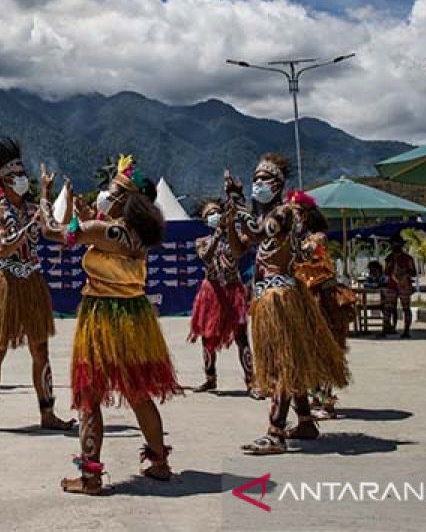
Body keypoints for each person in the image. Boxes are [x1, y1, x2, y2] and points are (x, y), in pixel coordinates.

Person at [42, 155, 180, 494]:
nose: (106, 193)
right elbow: (100, 236)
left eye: (113, 189)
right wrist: (88, 218)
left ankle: (90, 477)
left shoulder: (101, 230)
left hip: (102, 316)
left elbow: (52, 232)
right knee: (138, 392)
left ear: (125, 200)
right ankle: (159, 462)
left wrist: (47, 198)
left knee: (89, 395)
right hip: (134, 317)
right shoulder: (137, 235)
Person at [233, 154, 349, 456]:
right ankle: (306, 421)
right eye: (255, 179)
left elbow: (260, 233)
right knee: (289, 359)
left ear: (279, 184)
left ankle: (276, 432)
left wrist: (240, 204)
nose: (258, 184)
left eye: (264, 179)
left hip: (281, 296)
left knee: (284, 362)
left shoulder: (282, 213)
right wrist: (231, 218)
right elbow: (242, 244)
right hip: (267, 295)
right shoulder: (264, 216)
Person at [0, 137, 74, 435]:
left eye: (22, 171)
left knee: (41, 351)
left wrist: (79, 227)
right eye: (16, 173)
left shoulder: (32, 207)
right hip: (6, 285)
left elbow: (52, 231)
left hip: (32, 282)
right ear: (4, 179)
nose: (21, 176)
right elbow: (2, 247)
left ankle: (48, 413)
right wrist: (30, 226)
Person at [287, 190, 356, 420]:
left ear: (306, 215)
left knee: (325, 348)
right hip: (302, 297)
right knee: (306, 349)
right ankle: (312, 397)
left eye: (295, 213)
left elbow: (305, 254)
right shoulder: (291, 238)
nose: (291, 216)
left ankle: (325, 401)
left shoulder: (317, 237)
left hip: (322, 299)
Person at [188, 190, 256, 396]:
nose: (214, 215)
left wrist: (230, 227)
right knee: (207, 337)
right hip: (212, 292)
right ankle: (210, 378)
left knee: (241, 337)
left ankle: (251, 381)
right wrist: (217, 234)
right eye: (210, 214)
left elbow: (240, 250)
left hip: (234, 291)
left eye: (217, 212)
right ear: (204, 219)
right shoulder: (202, 241)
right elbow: (206, 257)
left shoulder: (234, 239)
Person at [384, 237, 417, 338]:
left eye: (397, 244)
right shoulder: (389, 258)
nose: (396, 246)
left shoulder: (408, 258)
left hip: (404, 285)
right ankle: (388, 328)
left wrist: (404, 273)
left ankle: (406, 330)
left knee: (406, 308)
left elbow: (413, 273)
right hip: (392, 285)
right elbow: (386, 272)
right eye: (394, 244)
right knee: (389, 308)